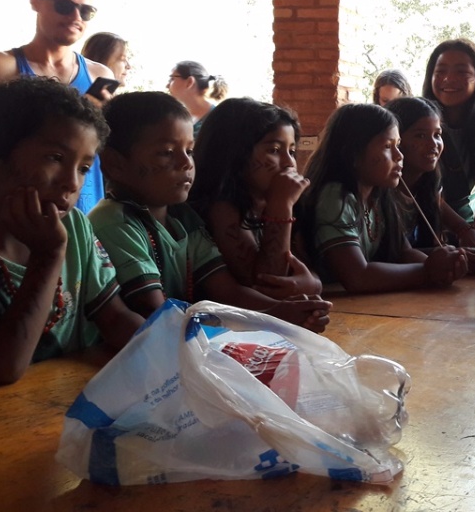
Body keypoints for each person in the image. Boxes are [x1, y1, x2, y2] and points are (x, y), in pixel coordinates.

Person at [89, 92, 330, 332]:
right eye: (166, 152)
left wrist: (280, 312)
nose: (186, 163)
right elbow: (156, 315)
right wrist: (273, 315)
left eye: (189, 151)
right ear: (115, 164)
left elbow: (227, 292)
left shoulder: (182, 218)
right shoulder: (115, 221)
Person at [0, 78, 143, 384]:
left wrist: (176, 352)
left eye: (84, 168)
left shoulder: (74, 224)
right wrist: (48, 255)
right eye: (55, 158)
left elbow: (114, 317)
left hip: (67, 405)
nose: (72, 183)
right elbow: (0, 366)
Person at [0, 0, 114, 212]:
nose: (76, 16)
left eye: (86, 11)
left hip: (84, 215)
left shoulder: (104, 77)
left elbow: (99, 146)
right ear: (35, 2)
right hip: (12, 215)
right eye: (64, 5)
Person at [301, 103, 467, 294]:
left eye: (398, 145)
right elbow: (358, 277)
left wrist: (450, 264)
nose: (399, 155)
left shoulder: (379, 194)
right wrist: (428, 271)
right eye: (388, 146)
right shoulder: (334, 198)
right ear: (354, 154)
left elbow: (403, 253)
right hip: (332, 309)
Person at [189, 97, 323, 299]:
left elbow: (300, 265)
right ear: (234, 153)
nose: (289, 163)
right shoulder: (221, 208)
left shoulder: (273, 201)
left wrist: (312, 283)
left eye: (292, 151)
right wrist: (281, 206)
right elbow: (266, 282)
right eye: (274, 150)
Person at [384, 96, 475, 273]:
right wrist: (455, 260)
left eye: (437, 135)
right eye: (420, 135)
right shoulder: (382, 191)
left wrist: (462, 249)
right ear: (395, 140)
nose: (433, 144)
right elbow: (398, 255)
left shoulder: (427, 185)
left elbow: (443, 210)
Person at [422, 39, 475, 241]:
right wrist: (465, 232)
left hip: (462, 223)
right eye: (441, 71)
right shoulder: (416, 121)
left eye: (462, 72)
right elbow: (423, 189)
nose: (449, 79)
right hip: (419, 220)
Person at [166, 60, 228, 136]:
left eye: (172, 79)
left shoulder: (218, 120)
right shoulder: (180, 118)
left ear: (189, 82)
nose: (167, 85)